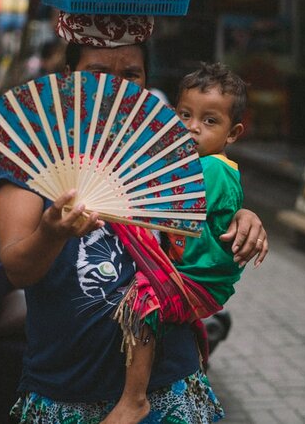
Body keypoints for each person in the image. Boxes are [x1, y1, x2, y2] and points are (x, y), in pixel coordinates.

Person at [0, 12, 268, 424]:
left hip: (169, 383)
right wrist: (51, 233)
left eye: (131, 75)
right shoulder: (30, 156)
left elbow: (209, 198)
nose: (115, 88)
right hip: (69, 388)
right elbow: (17, 269)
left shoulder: (163, 150)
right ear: (70, 75)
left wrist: (244, 216)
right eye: (97, 72)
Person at [105, 62, 248, 424]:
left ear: (233, 133)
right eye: (184, 114)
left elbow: (173, 208)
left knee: (144, 300)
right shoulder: (196, 164)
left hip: (199, 278)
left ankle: (134, 398)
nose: (192, 127)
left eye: (210, 121)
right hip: (191, 274)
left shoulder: (212, 169)